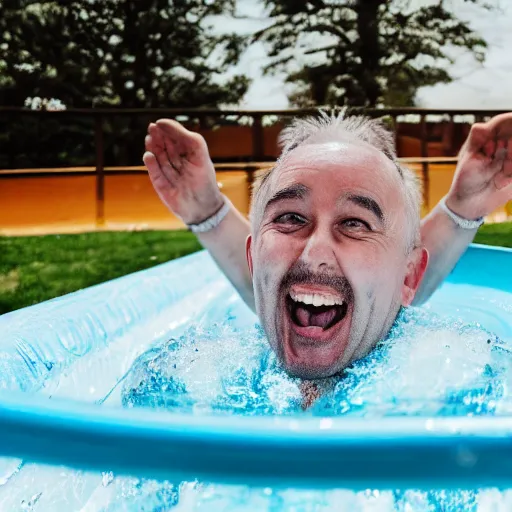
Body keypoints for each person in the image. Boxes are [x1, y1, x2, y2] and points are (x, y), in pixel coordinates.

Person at [143, 111, 512, 380]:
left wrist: (462, 210)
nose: (314, 253)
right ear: (253, 258)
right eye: (290, 217)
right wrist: (208, 213)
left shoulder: (467, 377)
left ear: (410, 275)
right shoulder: (189, 379)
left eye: (354, 223)